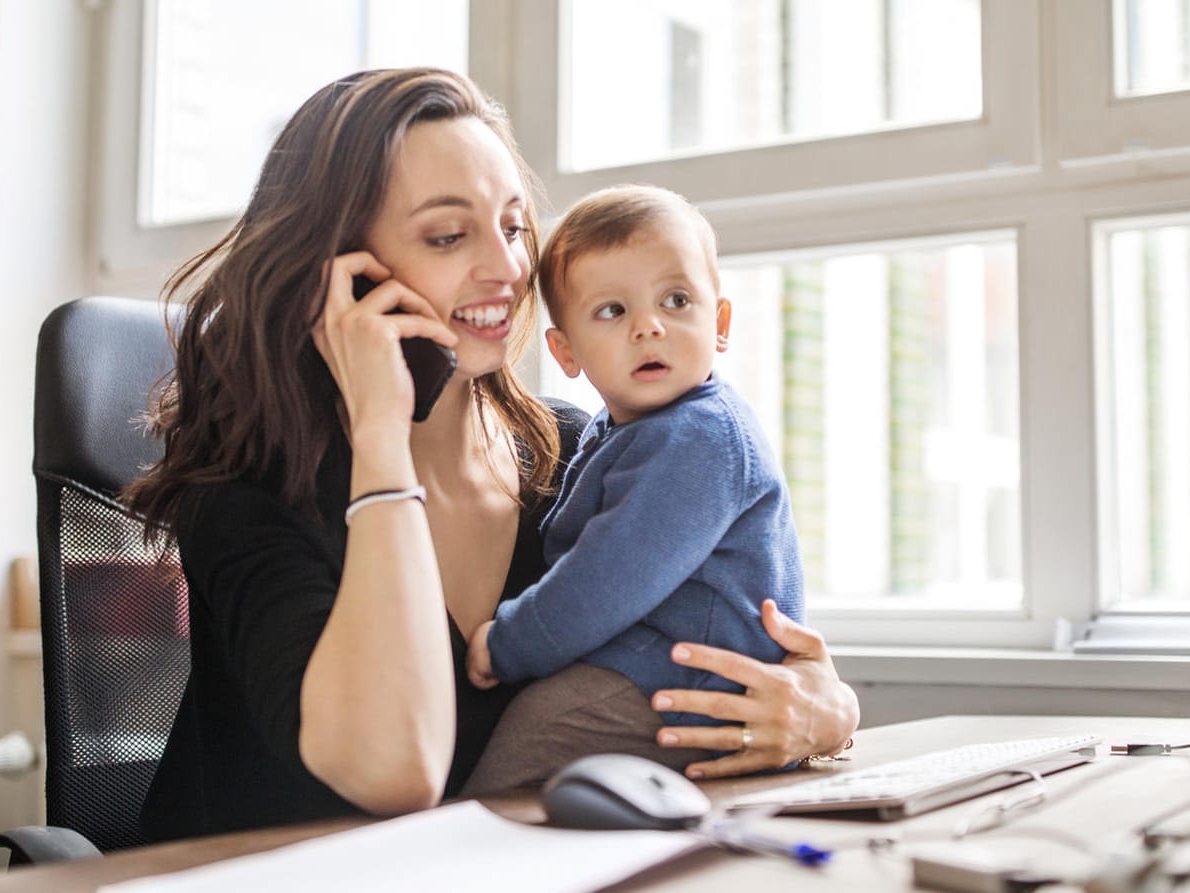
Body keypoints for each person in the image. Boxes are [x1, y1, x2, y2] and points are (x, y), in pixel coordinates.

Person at [122, 67, 859, 841]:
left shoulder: (576, 454)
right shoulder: (247, 491)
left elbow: (739, 640)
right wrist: (380, 432)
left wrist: (823, 709)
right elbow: (395, 771)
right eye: (447, 235)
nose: (509, 270)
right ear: (338, 275)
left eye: (512, 226)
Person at [461, 185, 803, 792]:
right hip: (659, 672)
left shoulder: (700, 439)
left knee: (509, 770)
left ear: (719, 322)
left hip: (685, 684)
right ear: (566, 351)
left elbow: (605, 578)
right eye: (613, 311)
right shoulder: (619, 430)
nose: (649, 327)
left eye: (676, 300)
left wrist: (508, 644)